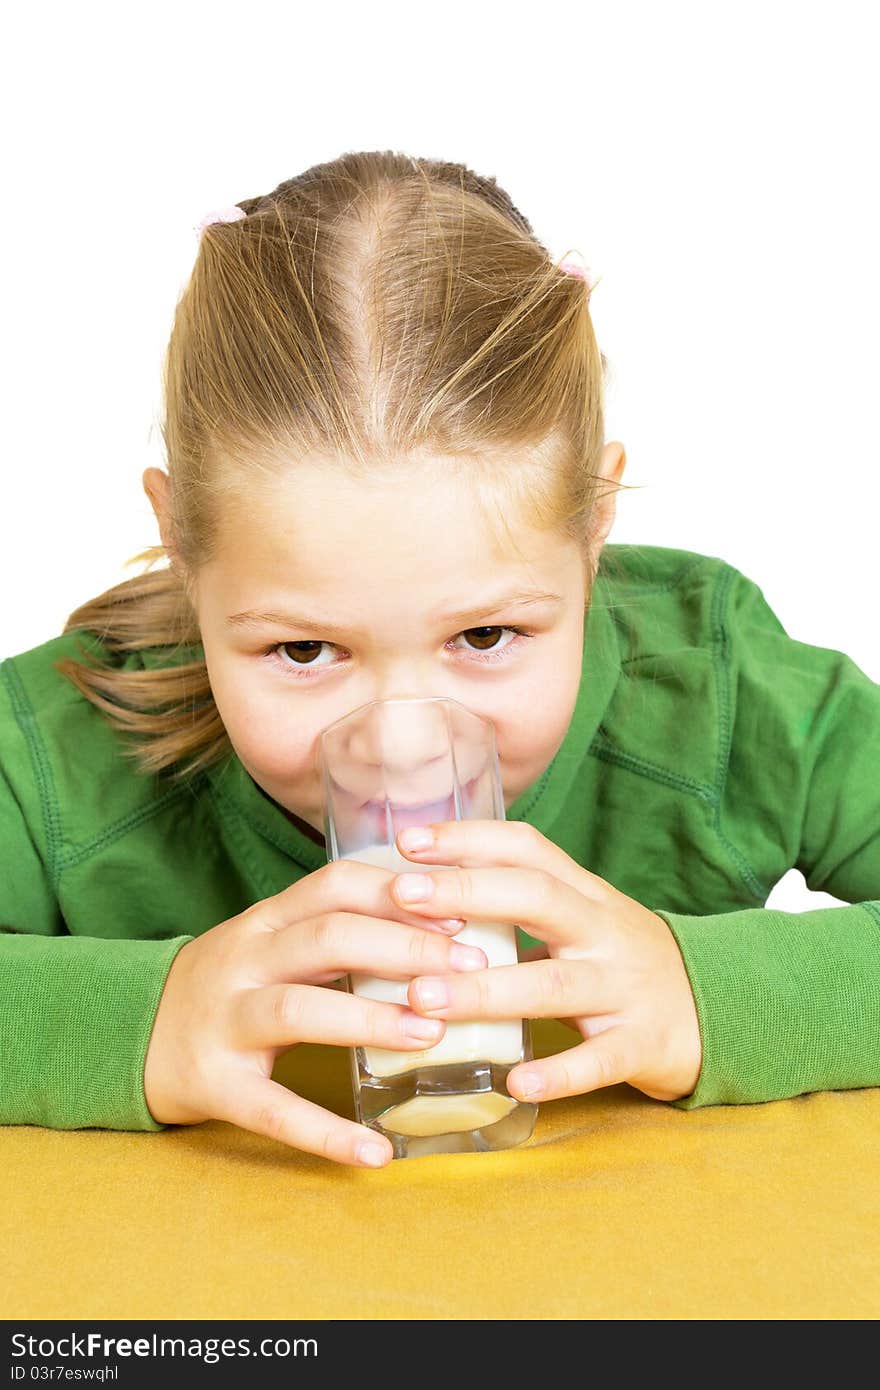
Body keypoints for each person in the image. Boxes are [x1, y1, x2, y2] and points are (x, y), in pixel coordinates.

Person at [2, 152, 877, 1170]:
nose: (404, 746)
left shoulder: (719, 690)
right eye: (302, 648)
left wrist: (703, 990)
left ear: (592, 526)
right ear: (183, 541)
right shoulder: (62, 750)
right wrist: (141, 1021)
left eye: (485, 637)